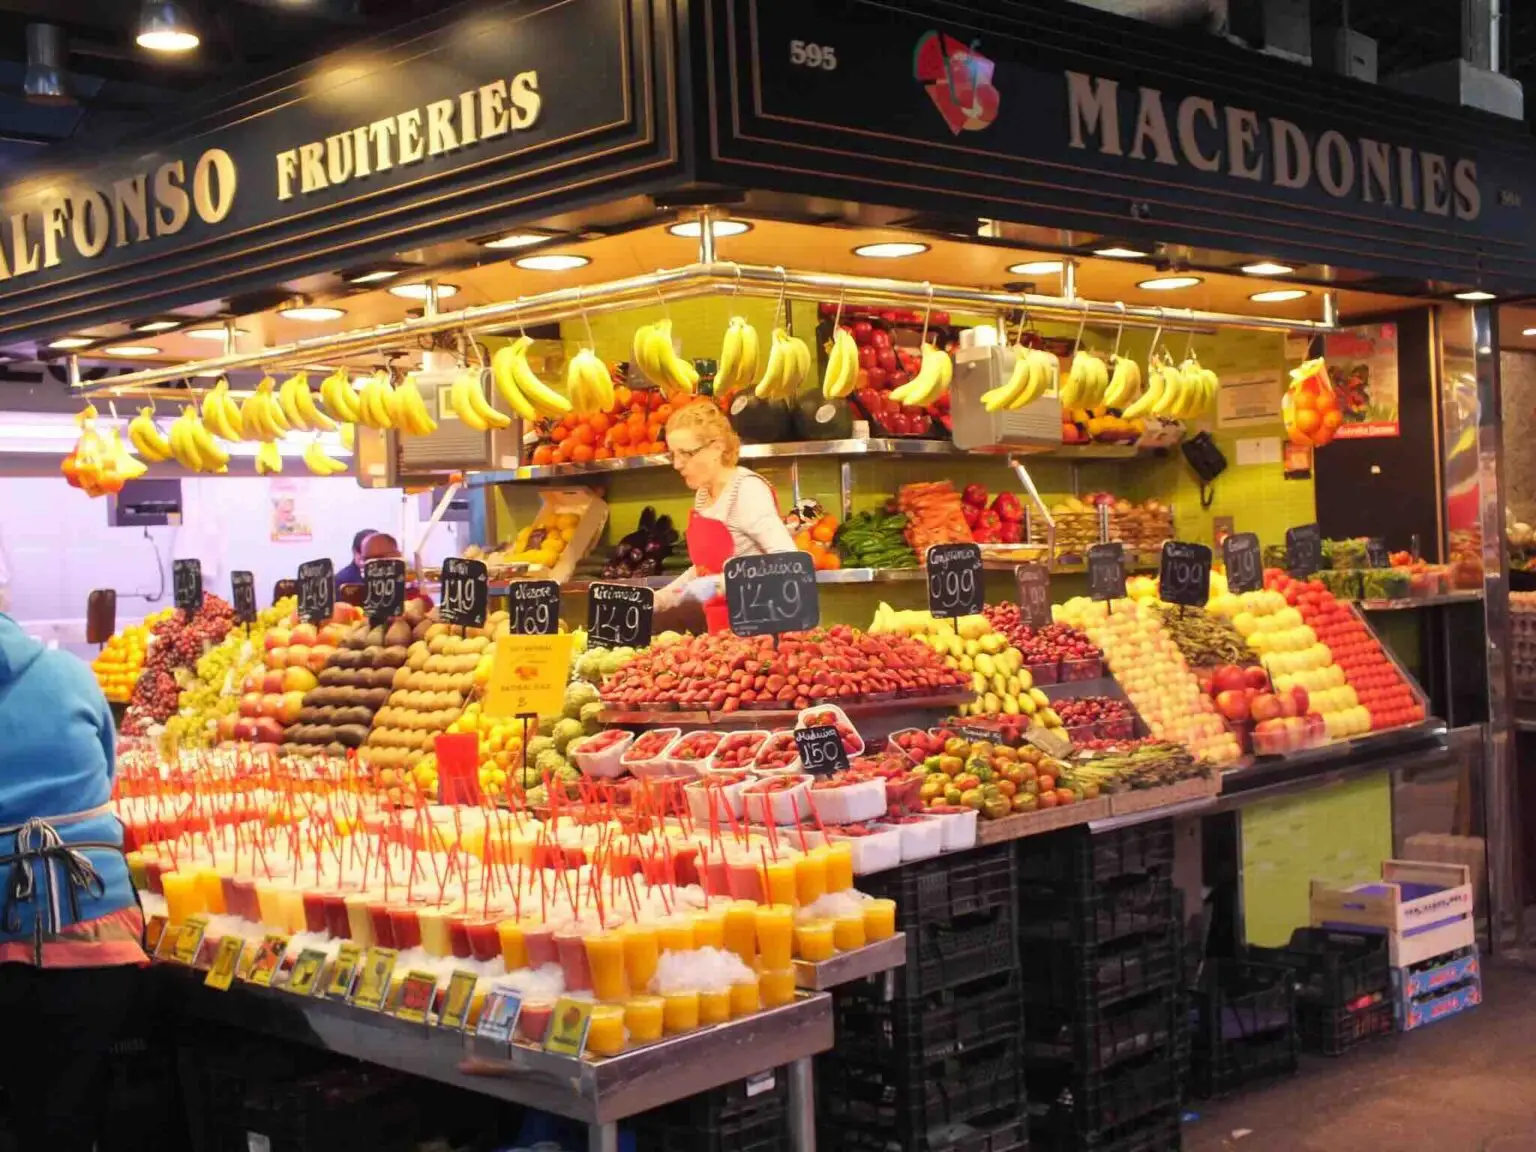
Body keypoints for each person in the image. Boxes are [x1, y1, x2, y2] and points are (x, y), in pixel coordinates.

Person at [0, 612, 145, 1150]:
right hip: (99, 935)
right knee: (67, 1114)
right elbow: (105, 780)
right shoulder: (70, 673)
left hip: (13, 945)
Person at [656, 400, 797, 631]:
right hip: (722, 631)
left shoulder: (746, 490)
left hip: (761, 630)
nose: (677, 465)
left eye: (686, 454)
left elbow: (788, 562)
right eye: (673, 455)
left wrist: (718, 584)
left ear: (717, 447)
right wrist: (661, 598)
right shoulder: (703, 493)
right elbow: (704, 569)